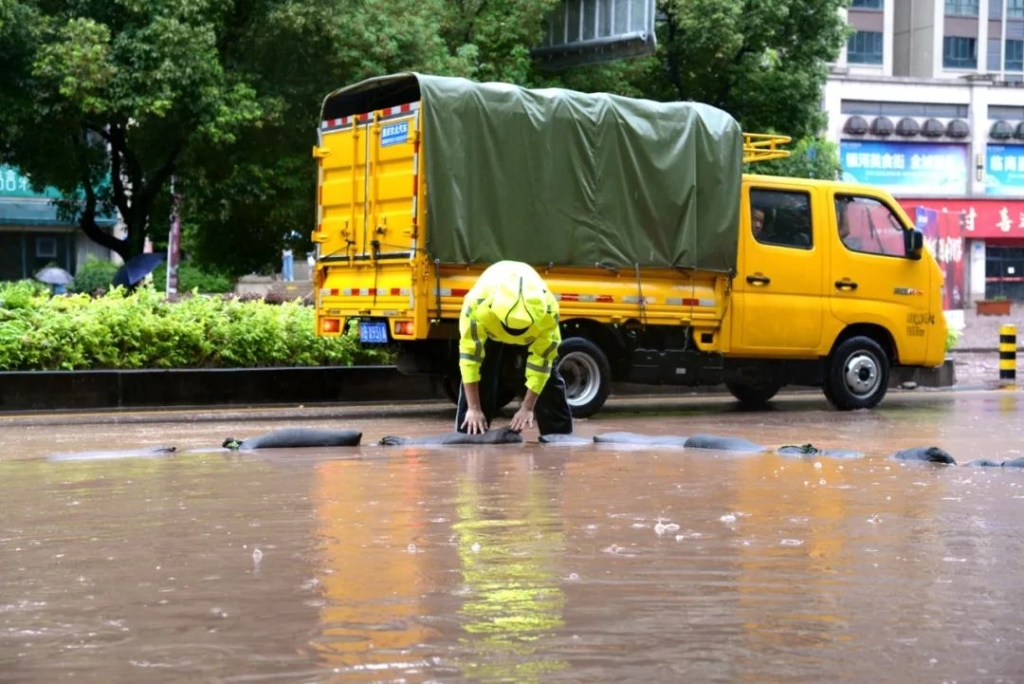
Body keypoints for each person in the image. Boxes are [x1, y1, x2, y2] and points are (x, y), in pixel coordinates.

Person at [456, 260, 573, 437]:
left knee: (548, 385)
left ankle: (559, 439)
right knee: (482, 376)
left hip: (533, 332)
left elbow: (541, 365)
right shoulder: (476, 305)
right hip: (490, 331)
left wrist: (527, 407)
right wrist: (474, 408)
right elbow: (469, 360)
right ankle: (470, 436)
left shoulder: (548, 313)